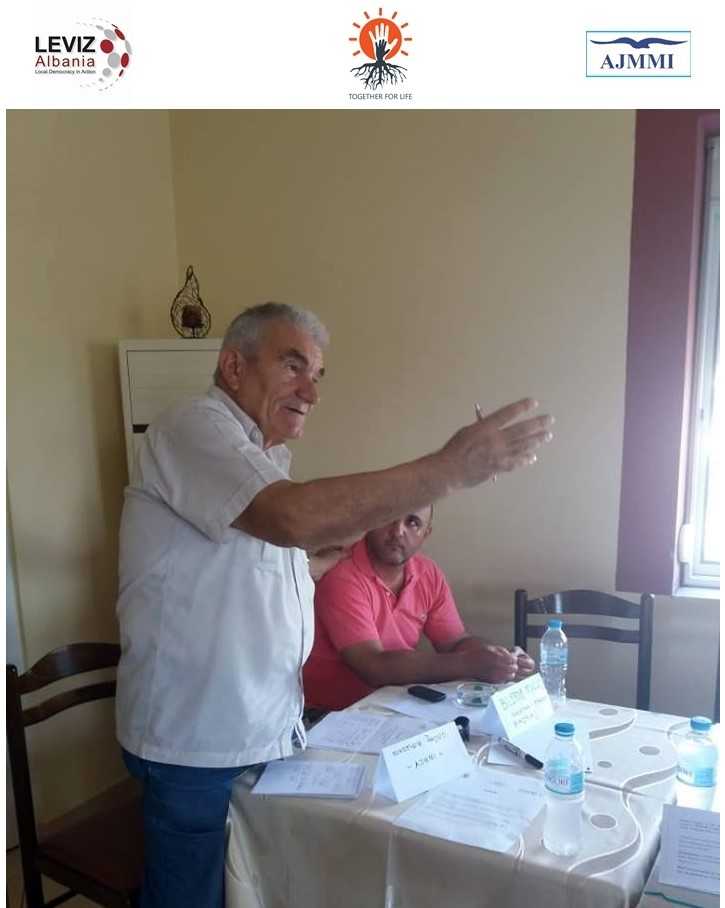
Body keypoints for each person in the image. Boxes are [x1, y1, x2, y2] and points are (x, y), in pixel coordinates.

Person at [115, 302, 553, 908]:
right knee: (190, 898)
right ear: (234, 367)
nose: (311, 392)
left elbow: (263, 564)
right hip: (196, 737)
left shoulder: (266, 459)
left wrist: (319, 560)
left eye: (317, 375)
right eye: (293, 366)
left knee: (254, 887)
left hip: (265, 728)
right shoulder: (190, 428)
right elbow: (291, 518)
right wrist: (449, 469)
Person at [303, 506, 536, 711]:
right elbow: (373, 667)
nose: (398, 531)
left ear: (426, 534)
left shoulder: (427, 572)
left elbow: (455, 642)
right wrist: (469, 663)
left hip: (396, 706)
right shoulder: (342, 575)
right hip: (330, 716)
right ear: (371, 520)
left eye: (413, 522)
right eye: (389, 517)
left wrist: (499, 657)